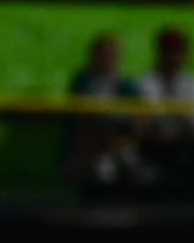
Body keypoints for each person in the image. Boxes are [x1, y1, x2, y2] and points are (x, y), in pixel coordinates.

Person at [63, 32, 152, 195]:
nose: (106, 59)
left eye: (110, 55)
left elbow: (140, 117)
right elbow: (84, 122)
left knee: (131, 165)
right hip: (91, 145)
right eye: (102, 55)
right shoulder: (83, 82)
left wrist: (127, 135)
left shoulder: (125, 84)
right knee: (103, 169)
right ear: (93, 56)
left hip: (122, 142)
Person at [136, 25, 194, 201]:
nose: (173, 58)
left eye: (177, 52)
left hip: (186, 148)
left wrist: (182, 131)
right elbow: (146, 122)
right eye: (168, 52)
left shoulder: (193, 83)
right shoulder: (146, 82)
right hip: (154, 149)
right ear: (160, 53)